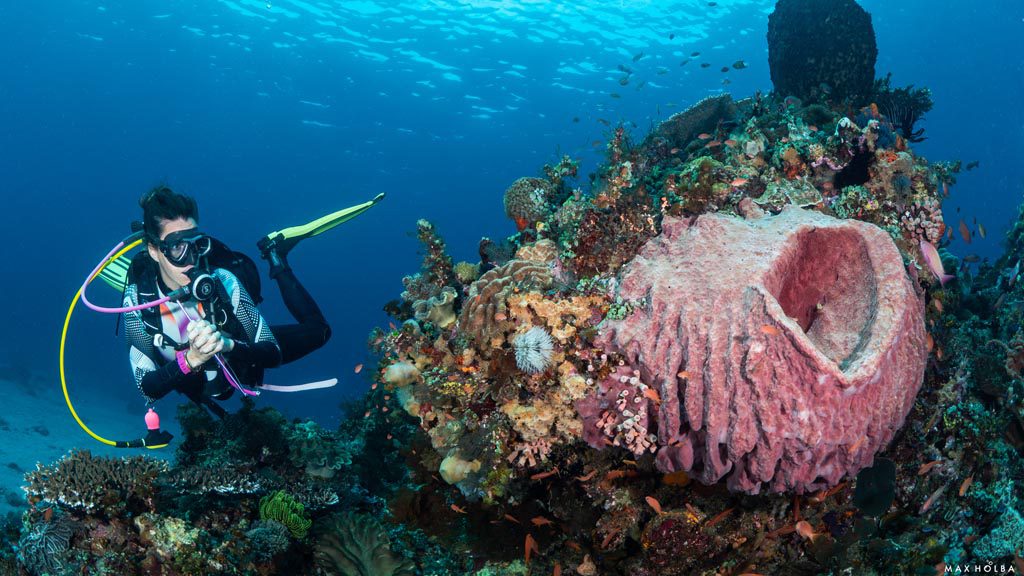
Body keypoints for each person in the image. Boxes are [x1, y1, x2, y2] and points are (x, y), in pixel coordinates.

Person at [122, 185, 336, 415]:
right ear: (154, 250)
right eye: (177, 248)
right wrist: (192, 358)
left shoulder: (223, 281)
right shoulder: (137, 301)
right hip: (196, 379)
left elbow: (272, 352)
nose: (192, 260)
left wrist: (227, 345)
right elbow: (147, 388)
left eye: (197, 245)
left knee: (320, 331)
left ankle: (276, 255)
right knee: (213, 395)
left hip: (239, 354)